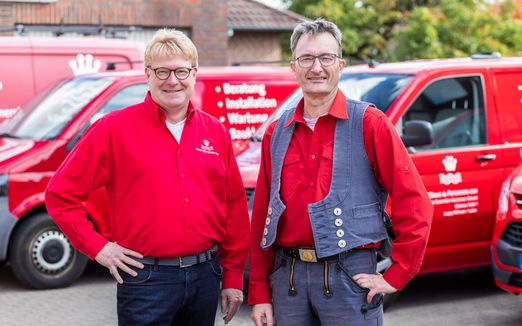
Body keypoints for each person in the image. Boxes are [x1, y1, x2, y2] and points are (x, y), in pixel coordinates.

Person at [46, 28, 250, 326]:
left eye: (181, 70)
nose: (172, 80)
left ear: (194, 73)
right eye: (162, 71)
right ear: (147, 74)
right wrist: (99, 248)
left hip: (206, 276)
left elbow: (233, 209)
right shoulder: (113, 130)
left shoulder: (215, 132)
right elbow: (60, 195)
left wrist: (233, 276)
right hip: (145, 281)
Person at [248, 18, 433, 326]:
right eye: (306, 58)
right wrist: (260, 292)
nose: (316, 67)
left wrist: (398, 274)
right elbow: (263, 221)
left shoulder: (370, 124)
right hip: (287, 283)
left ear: (341, 64)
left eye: (326, 58)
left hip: (350, 279)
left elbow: (415, 202)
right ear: (293, 67)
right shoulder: (275, 133)